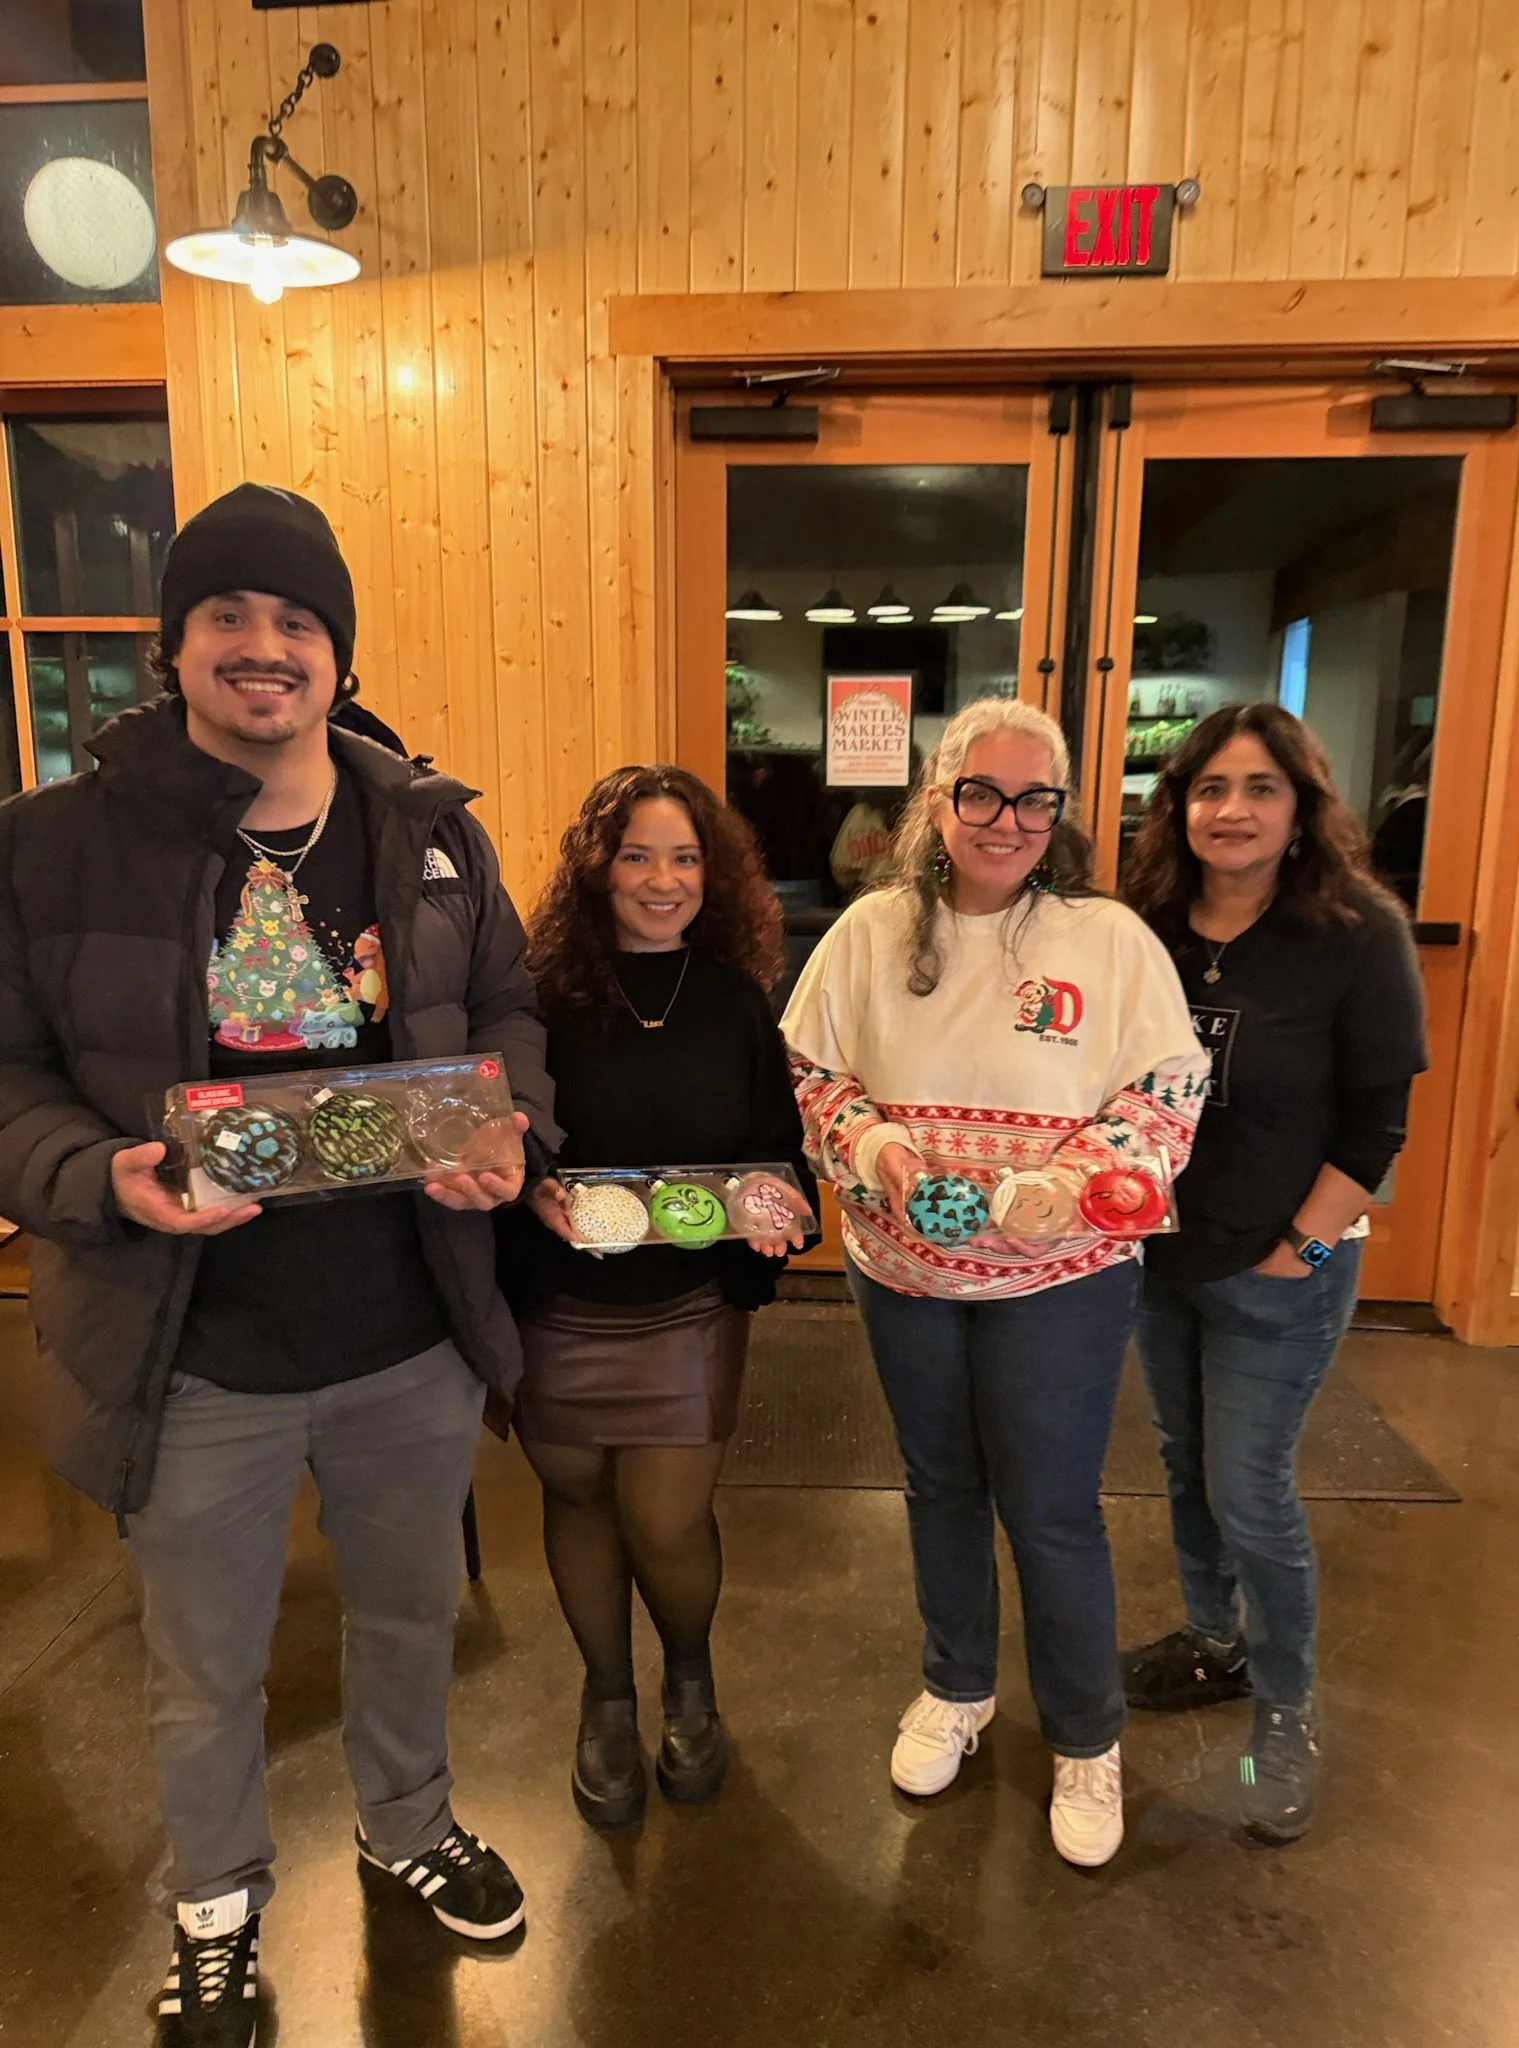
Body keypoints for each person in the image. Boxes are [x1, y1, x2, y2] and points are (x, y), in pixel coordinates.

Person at [0, 483, 560, 2048]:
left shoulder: (430, 835)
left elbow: (510, 1012)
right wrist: (95, 1176)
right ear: (173, 649)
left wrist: (512, 1121)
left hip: (408, 1330)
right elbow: (5, 1079)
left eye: (295, 621)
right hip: (186, 1348)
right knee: (203, 1666)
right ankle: (217, 1906)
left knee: (406, 1614)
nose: (263, 649)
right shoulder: (49, 846)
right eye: (226, 617)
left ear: (338, 651)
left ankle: (405, 1821)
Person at [780, 698, 1208, 1869]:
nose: (1006, 818)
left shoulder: (1107, 941)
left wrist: (1077, 1181)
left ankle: (1084, 1736)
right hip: (903, 1269)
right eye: (982, 792)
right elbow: (812, 1066)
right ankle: (956, 1684)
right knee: (939, 1481)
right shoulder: (870, 931)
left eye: (1033, 798)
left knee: (1053, 1506)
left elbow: (1166, 1087)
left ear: (1059, 813)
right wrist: (875, 1149)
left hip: (1060, 1280)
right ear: (941, 798)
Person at [1119, 702, 1428, 1843]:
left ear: (1300, 807)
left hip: (1283, 1265)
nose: (1232, 809)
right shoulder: (1144, 924)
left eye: (1259, 787)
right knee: (1186, 1464)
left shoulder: (1357, 932)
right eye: (1210, 788)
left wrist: (1299, 1247)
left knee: (1252, 1485)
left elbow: (1376, 1127)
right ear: (1179, 805)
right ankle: (1215, 1640)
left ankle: (1287, 1716)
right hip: (1161, 1258)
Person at [497, 766, 817, 1831]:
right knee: (578, 1493)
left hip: (685, 1299)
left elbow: (774, 1145)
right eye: (638, 853)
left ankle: (688, 1673)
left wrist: (775, 1198)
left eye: (685, 856)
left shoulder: (731, 998)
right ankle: (606, 1693)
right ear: (597, 867)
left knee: (666, 1517)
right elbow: (501, 1136)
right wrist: (525, 1185)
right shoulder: (538, 996)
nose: (663, 878)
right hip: (557, 1300)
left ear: (713, 875)